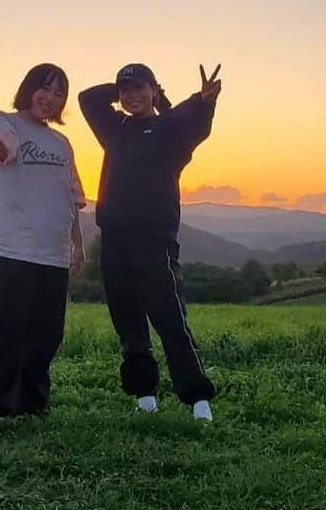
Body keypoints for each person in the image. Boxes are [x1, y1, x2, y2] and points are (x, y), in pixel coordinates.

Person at [78, 62, 222, 421]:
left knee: (170, 318)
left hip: (155, 241)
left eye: (139, 88)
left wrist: (201, 101)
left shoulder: (168, 131)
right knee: (128, 322)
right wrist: (121, 90)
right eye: (125, 90)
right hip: (114, 241)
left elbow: (193, 123)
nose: (130, 96)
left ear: (155, 89)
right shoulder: (115, 129)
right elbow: (87, 99)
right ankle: (145, 396)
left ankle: (197, 399)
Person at [0, 63, 86, 442]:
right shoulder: (1, 121)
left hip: (53, 252)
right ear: (29, 88)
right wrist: (3, 147)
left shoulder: (62, 145)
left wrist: (78, 244)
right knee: (5, 332)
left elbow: (70, 198)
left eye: (58, 94)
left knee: (46, 334)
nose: (49, 99)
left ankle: (32, 404)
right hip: (12, 248)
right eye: (44, 88)